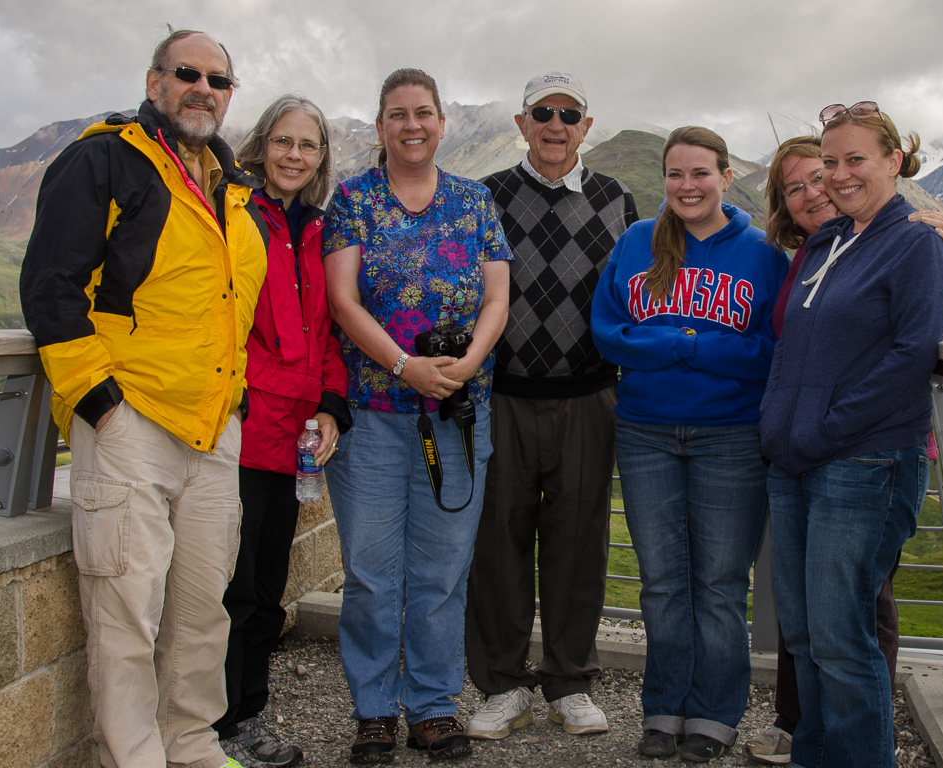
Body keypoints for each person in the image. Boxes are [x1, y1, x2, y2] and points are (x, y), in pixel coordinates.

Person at [19, 27, 267, 768]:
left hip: (212, 430)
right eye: (186, 73)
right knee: (126, 613)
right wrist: (97, 400)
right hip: (131, 423)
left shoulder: (229, 184)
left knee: (200, 614)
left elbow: (226, 307)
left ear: (229, 96)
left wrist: (237, 401)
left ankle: (190, 747)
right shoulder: (103, 159)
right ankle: (133, 758)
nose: (203, 88)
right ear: (155, 80)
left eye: (217, 80)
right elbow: (50, 287)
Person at [744, 134, 943, 765]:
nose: (839, 175)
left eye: (857, 161)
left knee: (842, 637)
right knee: (802, 632)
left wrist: (825, 428)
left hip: (864, 462)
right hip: (795, 461)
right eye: (832, 162)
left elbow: (914, 353)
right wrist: (781, 427)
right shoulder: (829, 241)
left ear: (893, 163)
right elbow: (793, 347)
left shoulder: (916, 243)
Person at [322, 68, 512, 765]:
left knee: (441, 571)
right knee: (372, 571)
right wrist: (406, 366)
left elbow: (496, 298)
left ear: (440, 123)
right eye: (397, 114)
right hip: (373, 414)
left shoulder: (474, 201)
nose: (411, 125)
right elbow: (343, 301)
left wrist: (464, 366)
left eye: (423, 113)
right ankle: (373, 712)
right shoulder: (352, 202)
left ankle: (432, 707)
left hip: (457, 414)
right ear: (379, 127)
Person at [591, 126, 789, 763]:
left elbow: (771, 354)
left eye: (700, 173)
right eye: (675, 175)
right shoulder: (637, 242)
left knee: (722, 585)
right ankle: (664, 707)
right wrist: (687, 343)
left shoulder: (761, 253)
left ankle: (714, 714)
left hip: (730, 437)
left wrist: (691, 344)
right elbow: (609, 334)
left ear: (726, 178)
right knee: (662, 583)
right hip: (645, 431)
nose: (687, 186)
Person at [463, 71, 638, 740]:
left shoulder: (616, 199)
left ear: (585, 127)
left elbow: (639, 291)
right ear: (522, 122)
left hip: (588, 398)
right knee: (496, 545)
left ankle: (569, 682)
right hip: (501, 396)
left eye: (569, 114)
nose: (556, 124)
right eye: (543, 112)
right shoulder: (487, 197)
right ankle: (501, 686)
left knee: (577, 545)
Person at [212, 94, 350, 768]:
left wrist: (330, 405)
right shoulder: (233, 214)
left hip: (293, 434)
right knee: (228, 589)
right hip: (237, 428)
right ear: (261, 144)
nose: (296, 156)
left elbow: (328, 332)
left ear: (321, 158)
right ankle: (213, 725)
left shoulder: (323, 232)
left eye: (309, 145)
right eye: (284, 142)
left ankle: (246, 719)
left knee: (266, 589)